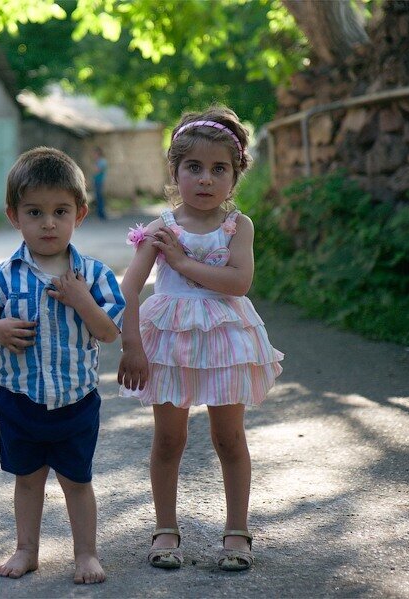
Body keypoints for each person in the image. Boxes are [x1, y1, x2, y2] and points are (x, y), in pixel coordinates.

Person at [117, 105, 284, 571]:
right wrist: (132, 345)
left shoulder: (238, 226)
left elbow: (238, 282)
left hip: (226, 342)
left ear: (235, 176)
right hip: (168, 343)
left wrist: (185, 263)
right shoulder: (160, 229)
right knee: (168, 440)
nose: (205, 179)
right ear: (174, 171)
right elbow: (127, 290)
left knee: (229, 437)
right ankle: (165, 529)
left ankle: (237, 532)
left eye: (218, 169)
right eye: (194, 167)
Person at [0, 147, 125, 584]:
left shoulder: (93, 276)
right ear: (14, 216)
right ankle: (26, 550)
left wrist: (81, 300)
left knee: (77, 482)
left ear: (80, 213)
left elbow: (110, 332)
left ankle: (86, 554)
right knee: (28, 480)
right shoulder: (6, 274)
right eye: (35, 212)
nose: (48, 223)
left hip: (76, 401)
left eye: (60, 211)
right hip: (19, 400)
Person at [92, 146, 108, 220]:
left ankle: (101, 214)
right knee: (98, 197)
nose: (94, 155)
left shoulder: (102, 161)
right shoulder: (98, 161)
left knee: (100, 197)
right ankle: (99, 213)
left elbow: (97, 170)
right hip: (96, 181)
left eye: (95, 153)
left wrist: (96, 163)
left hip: (100, 181)